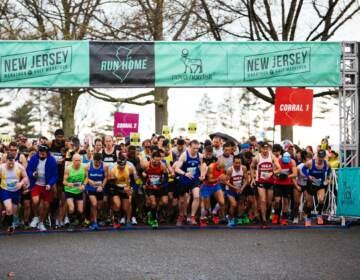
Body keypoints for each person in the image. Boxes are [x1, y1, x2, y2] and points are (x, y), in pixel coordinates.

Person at [174, 140, 206, 226]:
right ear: (189, 147)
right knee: (182, 200)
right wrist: (185, 173)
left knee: (196, 196)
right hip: (184, 179)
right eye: (194, 148)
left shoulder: (200, 155)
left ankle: (192, 217)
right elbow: (176, 169)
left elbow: (202, 166)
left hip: (194, 179)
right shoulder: (184, 155)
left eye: (197, 148)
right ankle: (181, 216)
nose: (196, 150)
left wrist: (202, 175)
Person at [27, 144, 58, 231]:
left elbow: (55, 175)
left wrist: (50, 184)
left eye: (43, 152)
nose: (41, 154)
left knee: (46, 205)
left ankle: (41, 222)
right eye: (40, 152)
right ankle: (36, 217)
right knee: (35, 201)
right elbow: (28, 170)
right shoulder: (34, 158)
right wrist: (32, 174)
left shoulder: (52, 160)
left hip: (46, 185)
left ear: (47, 152)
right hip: (36, 184)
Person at [250, 142, 281, 228]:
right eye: (263, 149)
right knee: (262, 200)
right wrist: (253, 178)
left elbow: (279, 168)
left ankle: (266, 215)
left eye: (267, 149)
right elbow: (252, 167)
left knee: (269, 202)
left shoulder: (272, 156)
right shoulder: (257, 157)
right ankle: (263, 221)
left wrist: (272, 173)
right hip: (260, 181)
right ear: (260, 149)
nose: (265, 150)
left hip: (270, 181)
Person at [302, 149, 331, 227]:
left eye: (322, 157)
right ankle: (308, 218)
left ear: (324, 157)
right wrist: (308, 176)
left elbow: (329, 170)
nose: (320, 159)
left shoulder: (326, 164)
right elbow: (303, 169)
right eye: (319, 157)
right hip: (310, 184)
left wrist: (328, 178)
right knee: (309, 204)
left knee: (321, 199)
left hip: (320, 184)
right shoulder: (310, 162)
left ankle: (319, 215)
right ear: (317, 156)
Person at [0, 154, 28, 234]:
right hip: (5, 190)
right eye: (9, 163)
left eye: (12, 163)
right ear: (6, 161)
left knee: (13, 211)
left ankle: (6, 213)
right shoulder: (1, 168)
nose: (11, 165)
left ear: (14, 161)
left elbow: (26, 178)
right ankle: (10, 227)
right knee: (9, 209)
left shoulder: (19, 167)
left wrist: (21, 183)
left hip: (16, 191)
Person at [108, 155, 136, 229]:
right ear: (117, 164)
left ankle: (128, 220)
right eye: (120, 165)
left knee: (125, 207)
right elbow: (112, 186)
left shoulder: (129, 169)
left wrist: (131, 188)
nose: (122, 167)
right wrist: (123, 188)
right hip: (116, 190)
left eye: (123, 165)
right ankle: (115, 220)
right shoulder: (113, 170)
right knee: (117, 205)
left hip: (126, 189)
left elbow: (133, 182)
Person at [143, 151, 168, 228]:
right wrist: (145, 183)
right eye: (155, 160)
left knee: (165, 202)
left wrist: (160, 184)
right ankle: (154, 220)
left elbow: (166, 177)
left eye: (158, 160)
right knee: (153, 203)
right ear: (151, 159)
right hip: (150, 187)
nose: (157, 162)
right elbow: (142, 174)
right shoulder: (147, 165)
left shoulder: (162, 166)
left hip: (160, 187)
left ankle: (154, 212)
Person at [199, 159, 227, 227]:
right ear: (216, 164)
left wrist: (224, 178)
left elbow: (224, 177)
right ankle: (203, 218)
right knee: (207, 207)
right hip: (207, 186)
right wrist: (219, 179)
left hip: (216, 186)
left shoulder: (223, 168)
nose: (221, 169)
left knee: (222, 202)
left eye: (222, 168)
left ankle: (218, 214)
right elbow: (209, 180)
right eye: (219, 167)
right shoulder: (211, 167)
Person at [63, 153, 87, 231]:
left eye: (79, 160)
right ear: (72, 161)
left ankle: (78, 221)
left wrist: (84, 184)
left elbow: (87, 177)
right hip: (69, 190)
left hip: (79, 190)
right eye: (76, 160)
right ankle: (71, 223)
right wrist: (68, 183)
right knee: (71, 208)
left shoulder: (84, 167)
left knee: (80, 210)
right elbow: (64, 181)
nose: (78, 162)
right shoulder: (68, 169)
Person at [272, 152, 297, 225]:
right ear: (282, 158)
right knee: (277, 201)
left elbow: (295, 174)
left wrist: (287, 177)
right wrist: (277, 176)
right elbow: (273, 172)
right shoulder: (278, 161)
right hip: (278, 184)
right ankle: (276, 215)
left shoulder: (292, 162)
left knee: (286, 201)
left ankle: (284, 218)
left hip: (287, 184)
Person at [84, 153, 108, 230]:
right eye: (96, 162)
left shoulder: (104, 166)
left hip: (100, 188)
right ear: (93, 160)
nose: (97, 163)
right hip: (90, 188)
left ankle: (92, 219)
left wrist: (102, 186)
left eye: (99, 162)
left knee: (99, 206)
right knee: (94, 204)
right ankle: (94, 222)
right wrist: (89, 180)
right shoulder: (88, 166)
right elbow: (85, 177)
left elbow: (106, 178)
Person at [225, 155, 249, 227]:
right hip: (230, 189)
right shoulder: (230, 170)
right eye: (236, 163)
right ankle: (230, 219)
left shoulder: (244, 168)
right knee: (234, 204)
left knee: (241, 204)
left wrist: (241, 188)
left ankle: (239, 217)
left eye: (239, 163)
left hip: (240, 188)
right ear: (233, 163)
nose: (238, 165)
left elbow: (247, 180)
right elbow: (226, 182)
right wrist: (235, 188)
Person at [293, 151, 313, 224]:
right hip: (298, 184)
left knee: (309, 202)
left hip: (307, 185)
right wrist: (297, 186)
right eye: (308, 160)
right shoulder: (299, 167)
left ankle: (306, 214)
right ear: (304, 160)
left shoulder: (312, 166)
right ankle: (295, 216)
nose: (310, 162)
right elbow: (293, 178)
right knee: (296, 202)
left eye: (311, 160)